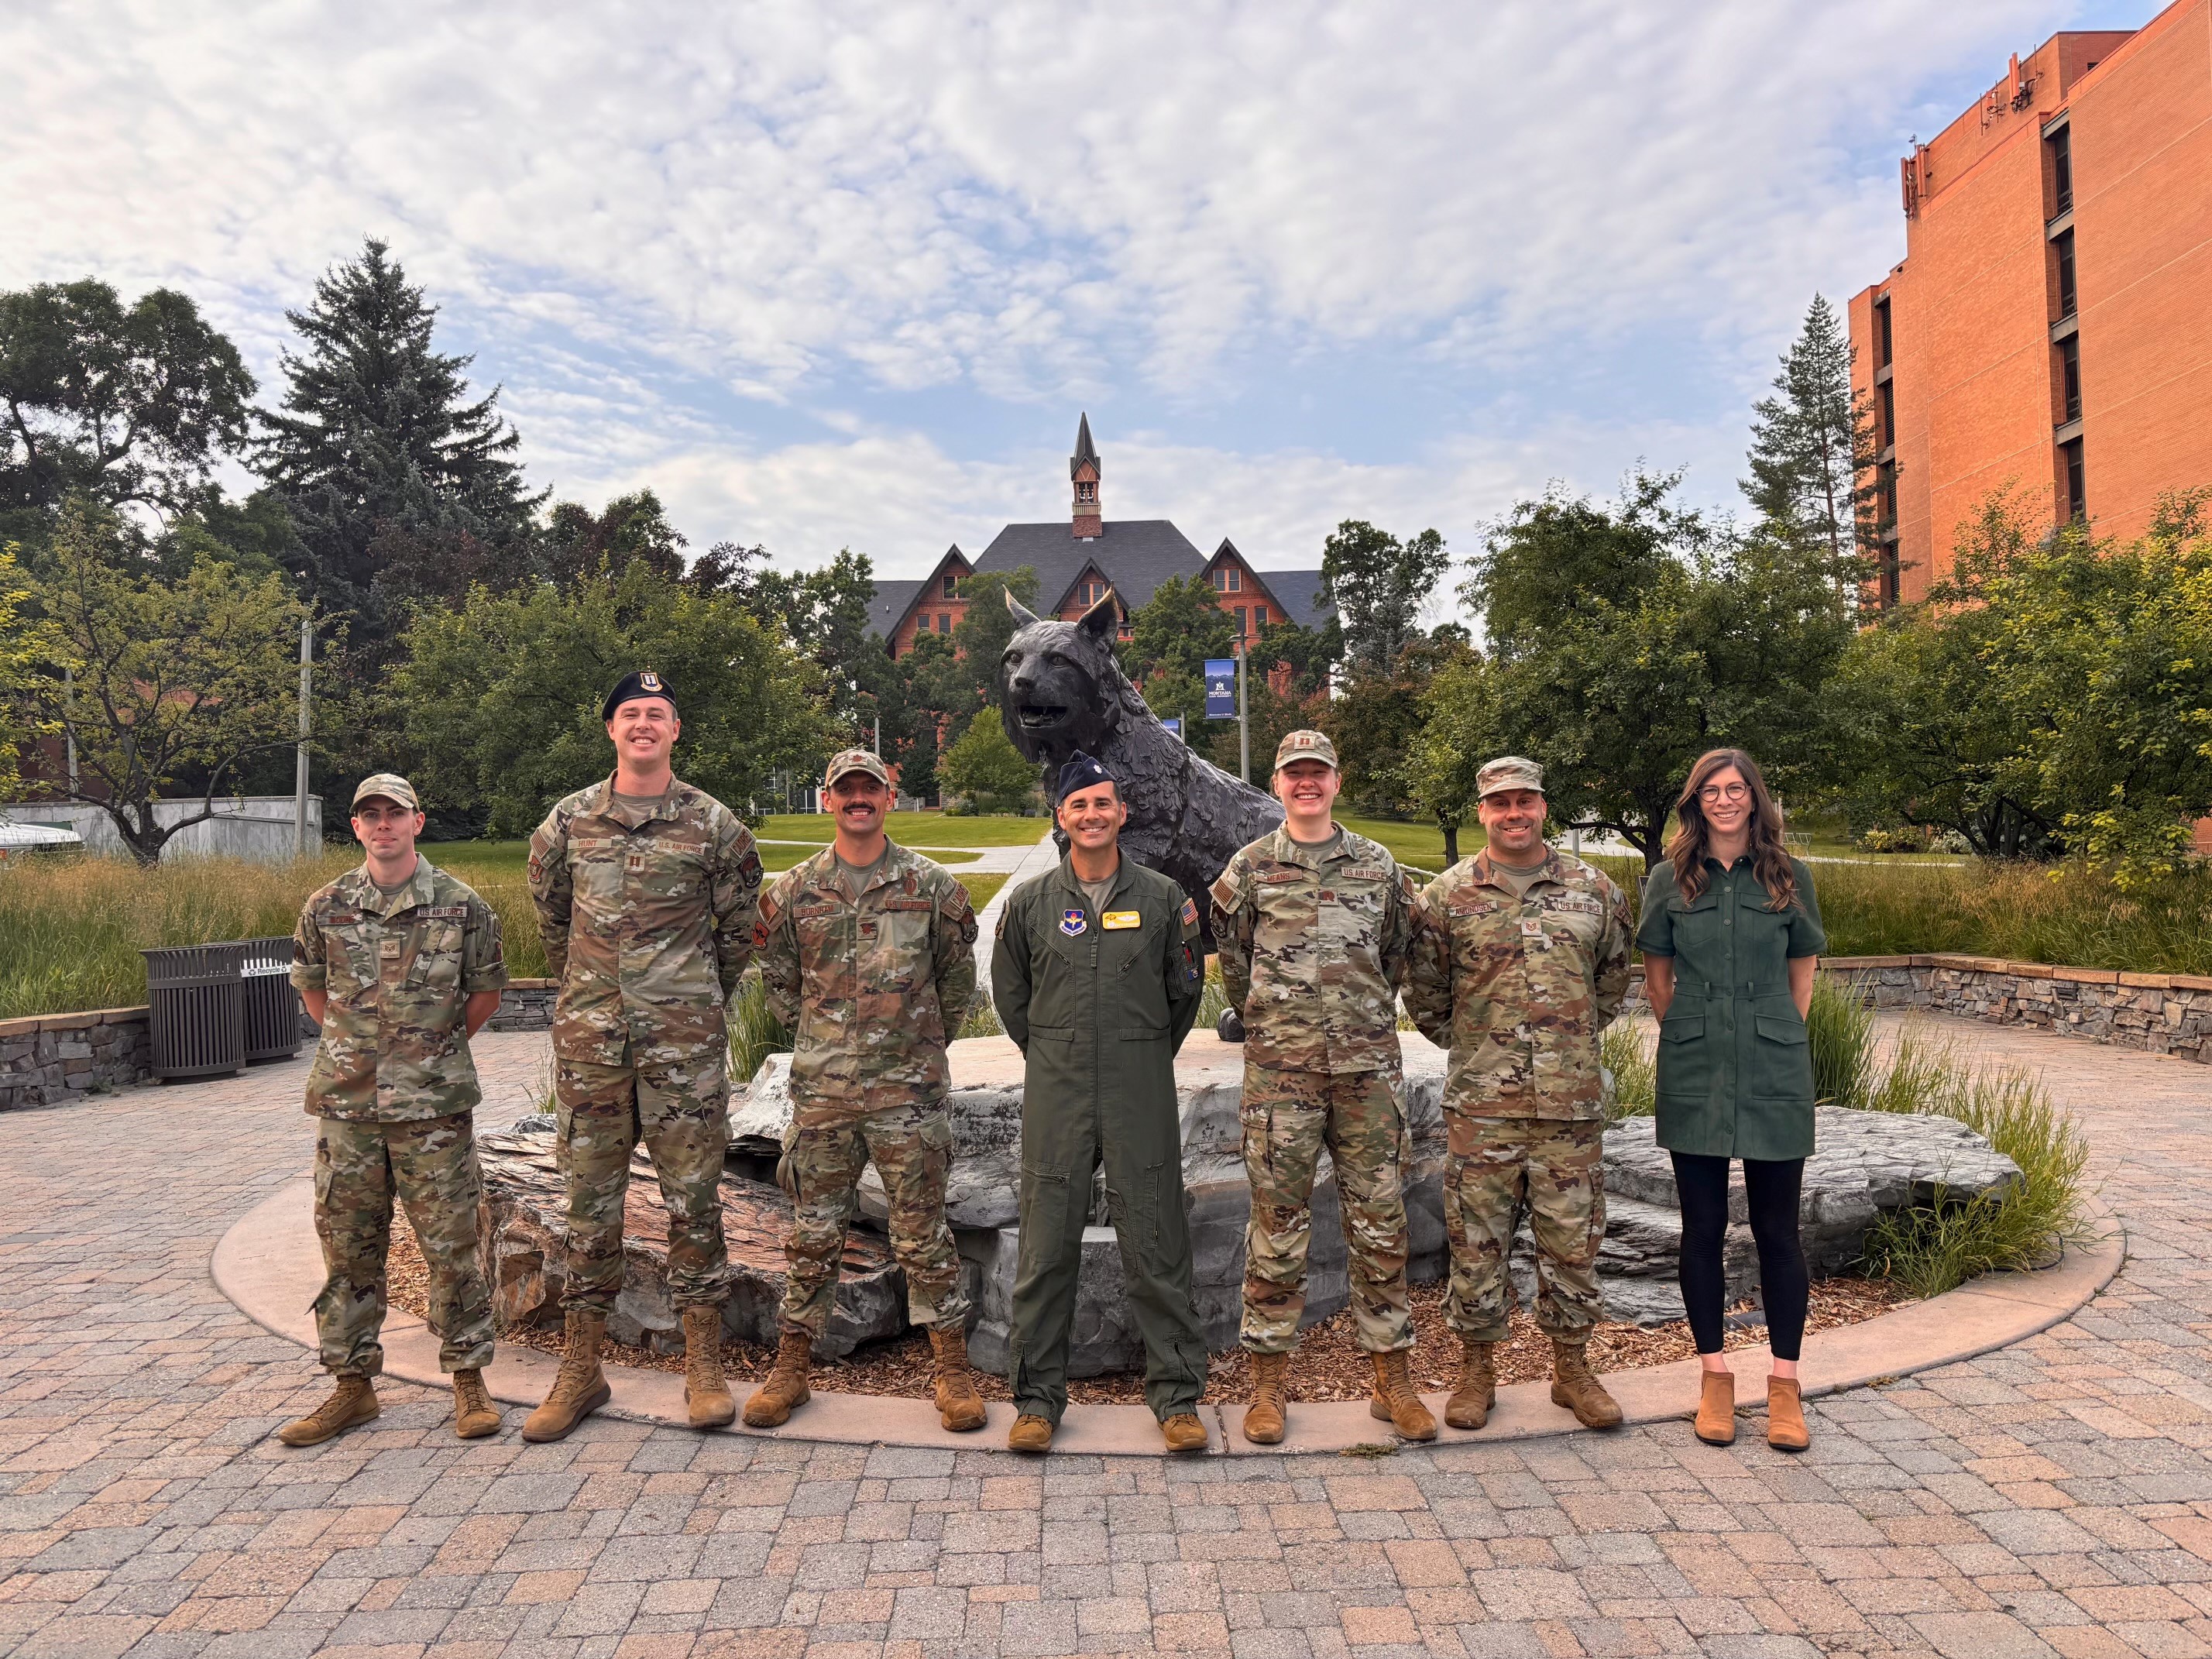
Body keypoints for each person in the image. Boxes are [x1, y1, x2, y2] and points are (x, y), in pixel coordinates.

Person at [522, 670, 764, 1441]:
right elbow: (554, 927)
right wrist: (596, 996)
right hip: (593, 1045)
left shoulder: (715, 826)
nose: (643, 724)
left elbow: (737, 935)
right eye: (630, 713)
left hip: (682, 1049)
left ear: (675, 729)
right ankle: (581, 1367)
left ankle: (703, 1364)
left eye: (656, 714)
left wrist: (687, 998)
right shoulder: (567, 824)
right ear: (611, 730)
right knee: (589, 1207)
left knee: (693, 1202)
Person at [741, 750, 985, 1432]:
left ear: (888, 798)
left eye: (868, 790)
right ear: (828, 801)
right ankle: (791, 1370)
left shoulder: (931, 886)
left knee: (923, 1235)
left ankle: (952, 1373)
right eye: (845, 791)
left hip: (908, 1094)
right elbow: (783, 986)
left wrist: (914, 1044)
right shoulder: (793, 893)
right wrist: (830, 1043)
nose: (857, 800)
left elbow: (956, 983)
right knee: (813, 1234)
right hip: (824, 1094)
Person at [1211, 729, 1434, 1444]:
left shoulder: (1379, 865)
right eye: (1294, 774)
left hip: (1368, 1075)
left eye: (1319, 774)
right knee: (1277, 1228)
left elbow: (1397, 952)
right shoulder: (1248, 869)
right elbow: (1235, 964)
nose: (1307, 784)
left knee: (1381, 1224)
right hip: (1282, 1078)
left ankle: (1391, 1380)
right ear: (1277, 784)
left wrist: (1357, 1017)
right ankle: (1269, 1386)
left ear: (1336, 782)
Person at [276, 773, 508, 1447]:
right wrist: (364, 1055)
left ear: (417, 821)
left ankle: (469, 1381)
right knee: (348, 1250)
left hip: (432, 1111)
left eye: (394, 814)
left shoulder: (460, 906)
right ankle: (353, 1388)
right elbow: (316, 999)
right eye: (370, 815)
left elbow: (484, 996)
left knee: (451, 1249)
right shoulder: (326, 907)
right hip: (348, 1112)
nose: (383, 825)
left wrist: (424, 1053)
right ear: (355, 827)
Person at [991, 753, 1211, 1455]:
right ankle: (1036, 1401)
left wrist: (1136, 1053)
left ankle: (1176, 1399)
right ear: (1060, 816)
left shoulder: (1162, 898)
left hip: (1138, 1084)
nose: (1091, 815)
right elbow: (1011, 998)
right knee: (1046, 1248)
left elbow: (1184, 994)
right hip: (1056, 1088)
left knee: (1156, 1241)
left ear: (1123, 813)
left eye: (1102, 804)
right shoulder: (1030, 905)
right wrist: (1059, 1053)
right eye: (1078, 804)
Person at [1405, 756, 1633, 1433]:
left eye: (1525, 801)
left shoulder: (1594, 890)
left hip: (1570, 1107)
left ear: (1543, 807)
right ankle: (1477, 1371)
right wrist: (1482, 1048)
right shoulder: (1447, 896)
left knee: (1573, 1242)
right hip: (1483, 1107)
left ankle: (1572, 1370)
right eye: (1500, 803)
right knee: (1477, 1243)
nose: (1514, 814)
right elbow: (1426, 996)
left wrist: (1565, 1045)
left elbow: (1611, 985)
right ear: (1483, 811)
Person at [1636, 748, 1826, 1453]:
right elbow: (1658, 981)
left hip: (1776, 1067)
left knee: (1779, 1230)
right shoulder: (1669, 880)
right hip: (1696, 1063)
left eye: (1736, 789)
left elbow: (1800, 978)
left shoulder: (1790, 876)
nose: (1724, 800)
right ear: (1696, 801)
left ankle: (1784, 1386)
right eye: (1712, 790)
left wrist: (1768, 1033)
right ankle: (1715, 1377)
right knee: (1703, 1228)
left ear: (1755, 798)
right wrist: (1697, 1033)